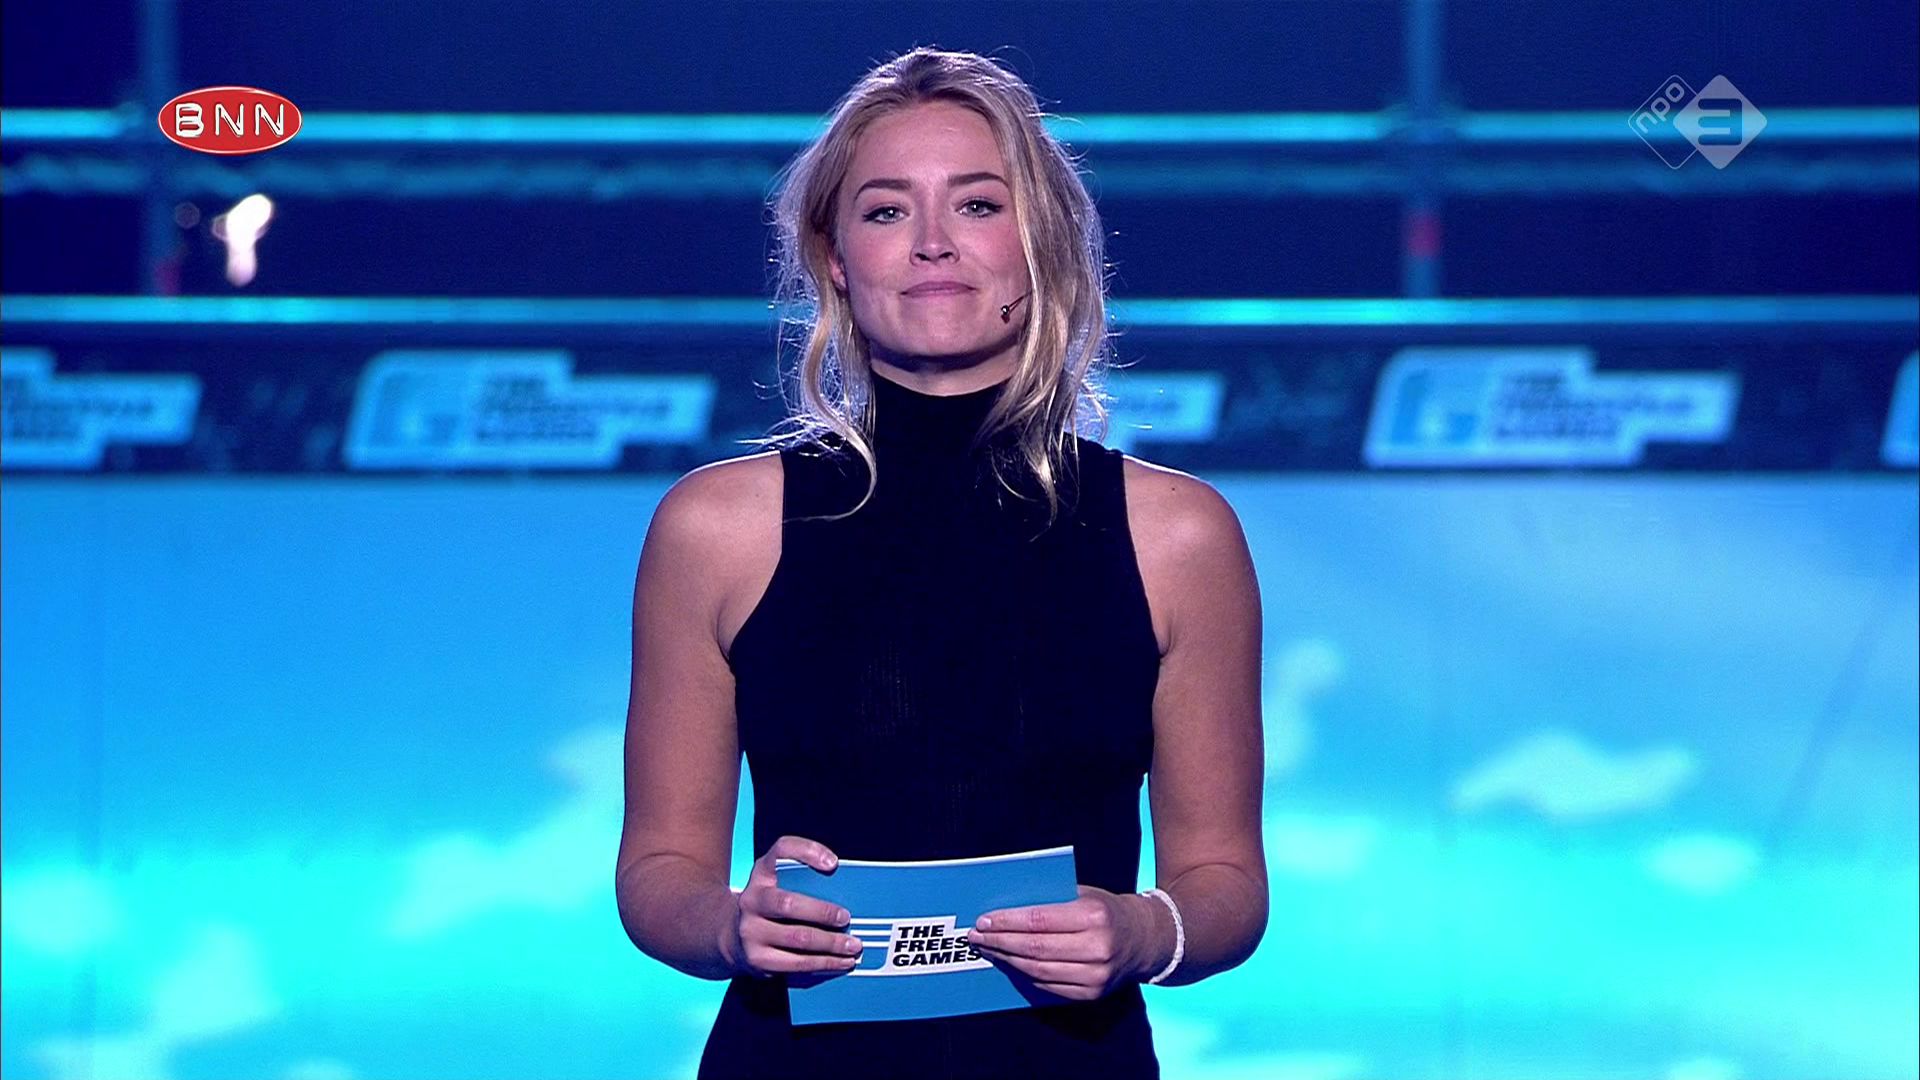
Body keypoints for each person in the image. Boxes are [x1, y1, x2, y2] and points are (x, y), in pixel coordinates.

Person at [615, 46, 1266, 1079]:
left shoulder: (1178, 535)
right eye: (885, 211)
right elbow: (658, 871)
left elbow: (1226, 881)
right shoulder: (717, 529)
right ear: (835, 258)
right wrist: (731, 925)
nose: (931, 243)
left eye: (977, 205)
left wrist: (1145, 931)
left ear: (1041, 244)